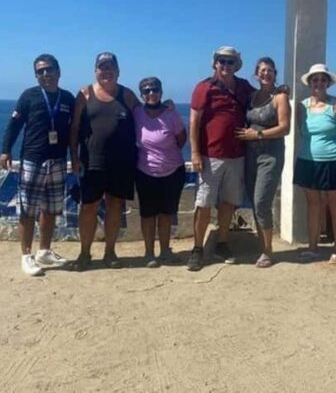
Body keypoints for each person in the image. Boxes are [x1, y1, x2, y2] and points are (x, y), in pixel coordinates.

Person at [0, 54, 75, 276]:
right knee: (28, 210)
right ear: (36, 76)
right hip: (33, 160)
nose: (45, 74)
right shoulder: (29, 96)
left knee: (51, 209)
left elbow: (76, 129)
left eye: (49, 69)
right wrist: (6, 150)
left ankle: (44, 251)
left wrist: (76, 156)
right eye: (40, 71)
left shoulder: (67, 98)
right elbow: (14, 125)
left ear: (58, 72)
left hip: (58, 160)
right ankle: (26, 256)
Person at [69, 52, 140, 270]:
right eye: (102, 67)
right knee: (88, 207)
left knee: (115, 206)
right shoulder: (84, 94)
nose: (106, 71)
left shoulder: (127, 95)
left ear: (118, 71)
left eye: (110, 67)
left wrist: (166, 107)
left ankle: (110, 252)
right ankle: (84, 253)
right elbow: (74, 129)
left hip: (121, 163)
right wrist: (74, 157)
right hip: (92, 162)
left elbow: (147, 117)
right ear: (95, 71)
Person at [187, 46, 253, 271]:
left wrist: (280, 90)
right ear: (215, 63)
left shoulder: (243, 86)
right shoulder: (204, 87)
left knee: (229, 203)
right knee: (204, 204)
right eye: (222, 61)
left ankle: (222, 243)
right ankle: (197, 249)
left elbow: (262, 97)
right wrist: (195, 153)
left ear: (236, 65)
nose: (225, 65)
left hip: (237, 155)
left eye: (230, 61)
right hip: (210, 156)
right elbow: (194, 121)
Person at [234, 57, 290, 268]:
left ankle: (268, 251)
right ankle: (262, 246)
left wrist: (257, 134)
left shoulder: (280, 97)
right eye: (263, 70)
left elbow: (285, 128)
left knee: (261, 203)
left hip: (270, 157)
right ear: (256, 74)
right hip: (250, 156)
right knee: (255, 202)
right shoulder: (251, 96)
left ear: (275, 74)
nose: (266, 74)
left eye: (270, 70)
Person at [293, 64, 336, 264]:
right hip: (307, 161)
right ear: (310, 83)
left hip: (332, 162)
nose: (319, 83)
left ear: (328, 83)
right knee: (313, 205)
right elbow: (301, 131)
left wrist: (334, 152)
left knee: (335, 205)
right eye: (315, 79)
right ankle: (312, 248)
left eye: (323, 79)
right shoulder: (302, 106)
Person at [133, 76, 187, 267]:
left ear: (161, 92)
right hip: (145, 172)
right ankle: (149, 253)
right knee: (148, 215)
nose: (151, 93)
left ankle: (165, 251)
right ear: (141, 94)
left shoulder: (171, 113)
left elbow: (181, 139)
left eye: (155, 89)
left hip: (172, 171)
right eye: (146, 91)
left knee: (166, 214)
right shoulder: (136, 113)